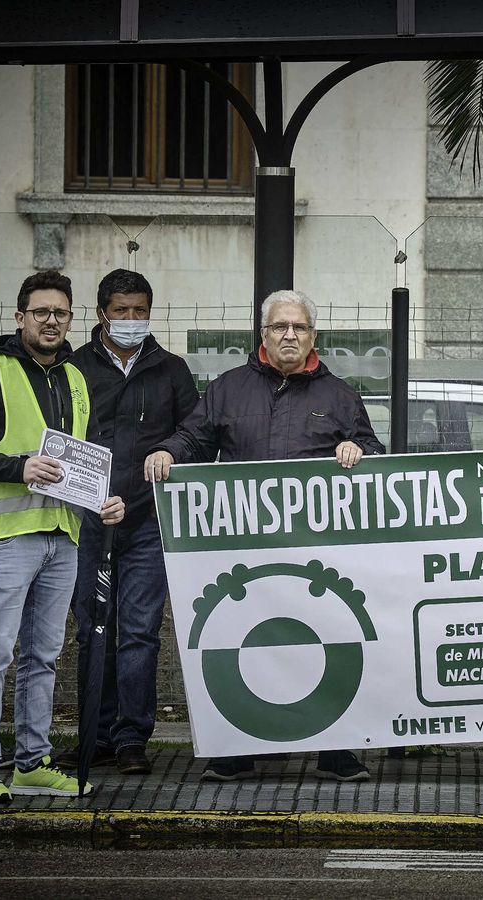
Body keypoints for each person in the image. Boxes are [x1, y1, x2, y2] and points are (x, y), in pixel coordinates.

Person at [146, 289, 384, 783]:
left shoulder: (340, 395)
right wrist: (170, 451)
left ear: (314, 336)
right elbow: (195, 437)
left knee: (330, 640)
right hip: (243, 554)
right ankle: (235, 752)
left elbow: (373, 453)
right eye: (280, 327)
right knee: (239, 642)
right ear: (263, 335)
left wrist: (355, 449)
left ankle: (337, 751)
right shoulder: (228, 388)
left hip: (318, 553)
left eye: (298, 327)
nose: (289, 335)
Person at [0, 269, 124, 803]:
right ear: (20, 318)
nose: (51, 321)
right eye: (41, 312)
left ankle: (32, 763)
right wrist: (18, 468)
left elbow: (82, 462)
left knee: (44, 655)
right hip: (4, 536)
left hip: (62, 535)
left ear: (73, 320)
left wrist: (102, 500)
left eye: (60, 313)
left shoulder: (75, 378)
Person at [66, 269, 197, 775]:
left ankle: (131, 739)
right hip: (88, 521)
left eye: (139, 310)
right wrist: (91, 497)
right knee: (92, 629)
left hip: (147, 523)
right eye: (120, 311)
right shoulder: (75, 369)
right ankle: (94, 737)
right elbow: (59, 436)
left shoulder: (171, 370)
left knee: (140, 630)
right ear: (101, 313)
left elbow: (195, 431)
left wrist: (171, 448)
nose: (130, 319)